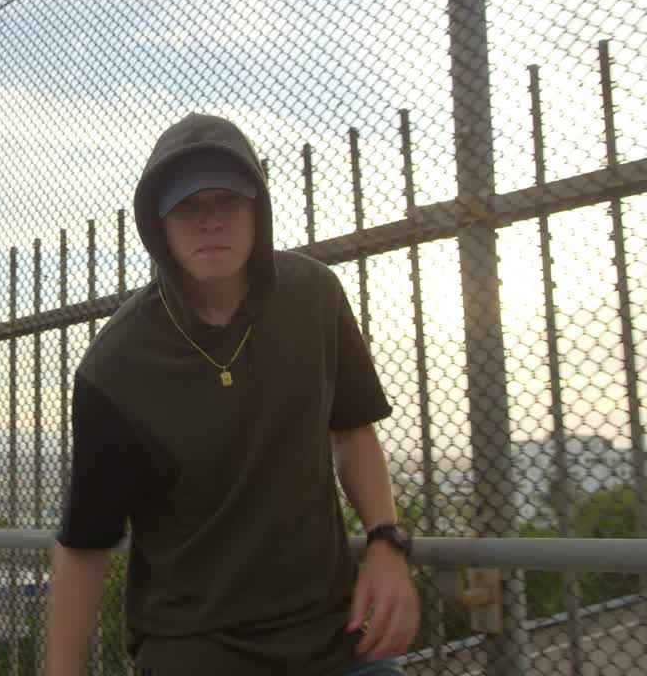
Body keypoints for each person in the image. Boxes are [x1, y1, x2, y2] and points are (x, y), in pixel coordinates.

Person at [44, 113, 420, 675]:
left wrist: (386, 543)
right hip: (194, 650)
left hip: (333, 640)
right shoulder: (115, 366)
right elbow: (84, 544)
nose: (210, 218)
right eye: (187, 204)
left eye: (229, 199)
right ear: (158, 222)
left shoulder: (315, 298)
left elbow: (352, 429)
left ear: (258, 209)